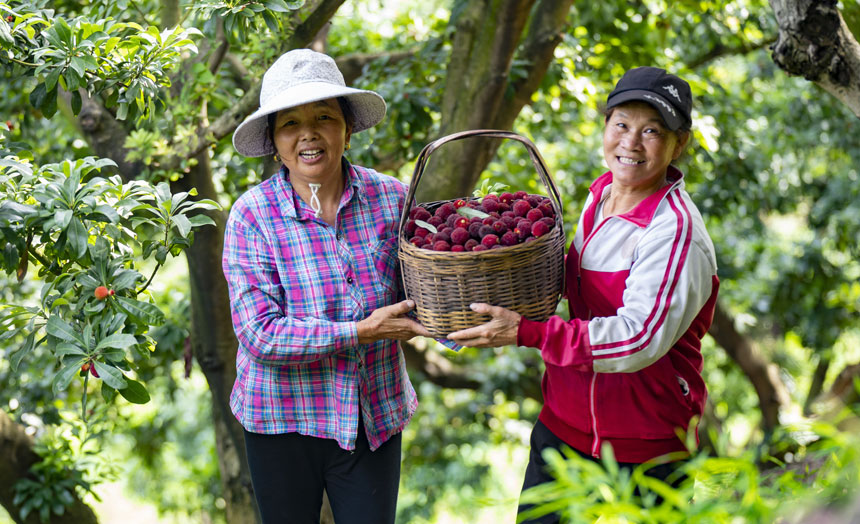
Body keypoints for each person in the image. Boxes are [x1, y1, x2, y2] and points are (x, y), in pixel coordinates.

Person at [447, 67, 719, 522]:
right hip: (563, 429)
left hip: (646, 449)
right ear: (606, 126)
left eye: (652, 130)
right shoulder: (601, 196)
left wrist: (528, 333)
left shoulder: (674, 232)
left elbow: (636, 339)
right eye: (622, 125)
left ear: (679, 144)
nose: (631, 143)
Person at [222, 48, 432, 524]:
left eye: (323, 116)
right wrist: (358, 331)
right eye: (290, 124)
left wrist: (459, 319)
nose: (308, 134)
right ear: (275, 142)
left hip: (371, 416)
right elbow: (260, 335)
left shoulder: (391, 198)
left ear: (348, 129)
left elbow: (426, 288)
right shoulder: (253, 216)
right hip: (281, 421)